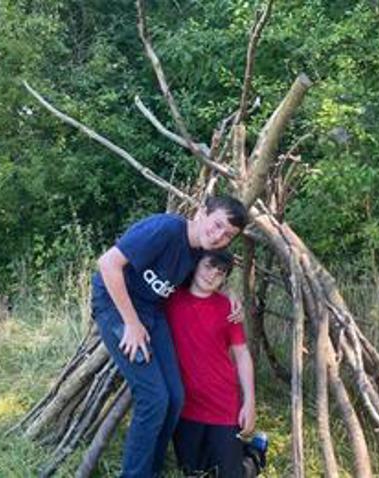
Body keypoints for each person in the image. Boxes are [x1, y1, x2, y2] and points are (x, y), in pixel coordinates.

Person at [91, 196, 248, 478]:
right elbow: (107, 264)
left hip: (152, 311)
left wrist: (229, 296)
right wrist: (131, 322)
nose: (219, 236)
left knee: (174, 397)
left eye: (228, 235)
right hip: (117, 307)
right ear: (201, 212)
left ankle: (150, 470)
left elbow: (209, 276)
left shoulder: (198, 250)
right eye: (217, 225)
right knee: (153, 398)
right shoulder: (165, 230)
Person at [166, 250, 268, 478]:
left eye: (220, 273)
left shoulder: (227, 309)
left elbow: (242, 355)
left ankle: (255, 453)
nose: (212, 275)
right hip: (186, 406)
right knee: (193, 472)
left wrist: (250, 402)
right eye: (208, 266)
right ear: (195, 265)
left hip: (222, 403)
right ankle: (234, 450)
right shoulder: (171, 300)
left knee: (229, 474)